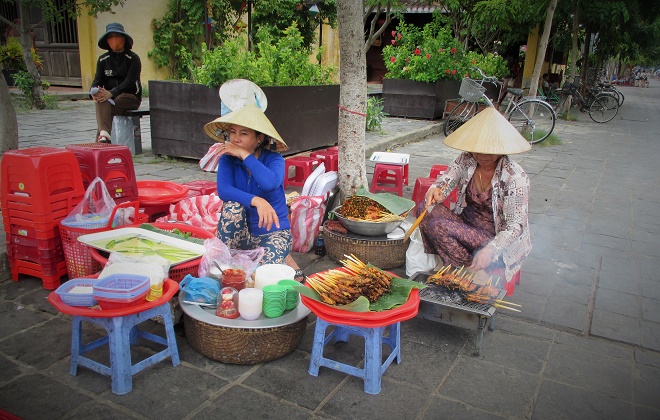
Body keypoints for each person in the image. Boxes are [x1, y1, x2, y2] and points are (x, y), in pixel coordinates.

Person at [417, 107, 532, 294]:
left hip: (494, 236)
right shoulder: (466, 159)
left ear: (501, 148)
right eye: (478, 150)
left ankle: (471, 272)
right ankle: (461, 264)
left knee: (438, 226)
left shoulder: (514, 177)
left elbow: (514, 227)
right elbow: (447, 179)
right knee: (425, 208)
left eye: (489, 152)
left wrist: (491, 249)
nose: (482, 157)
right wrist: (436, 190)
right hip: (467, 224)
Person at [204, 102, 304, 281]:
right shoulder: (228, 159)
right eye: (233, 132)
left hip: (272, 232)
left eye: (244, 133)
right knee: (232, 207)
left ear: (259, 138)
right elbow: (224, 190)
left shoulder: (275, 159)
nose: (235, 139)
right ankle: (223, 262)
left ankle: (284, 258)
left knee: (260, 277)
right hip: (241, 234)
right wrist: (257, 200)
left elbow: (269, 183)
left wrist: (244, 155)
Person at [91, 22, 141, 143]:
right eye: (110, 37)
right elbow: (97, 81)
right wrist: (94, 93)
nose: (113, 40)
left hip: (130, 97)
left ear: (123, 38)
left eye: (116, 36)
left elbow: (130, 81)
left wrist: (111, 93)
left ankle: (100, 142)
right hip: (109, 98)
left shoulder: (133, 58)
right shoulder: (103, 60)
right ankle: (104, 137)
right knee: (102, 100)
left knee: (106, 105)